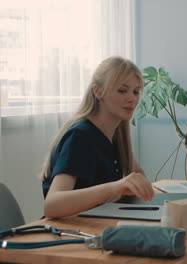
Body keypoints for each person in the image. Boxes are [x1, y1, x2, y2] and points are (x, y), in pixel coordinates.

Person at [39, 56, 154, 218]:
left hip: (95, 227)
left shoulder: (116, 135)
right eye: (122, 90)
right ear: (98, 91)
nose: (132, 99)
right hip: (66, 231)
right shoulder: (80, 137)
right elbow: (52, 206)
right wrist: (115, 187)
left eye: (136, 92)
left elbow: (139, 181)